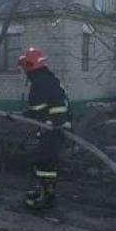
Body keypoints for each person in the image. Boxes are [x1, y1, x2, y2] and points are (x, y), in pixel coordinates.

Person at [18, 47, 73, 209]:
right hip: (53, 128)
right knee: (46, 162)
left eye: (23, 66)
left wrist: (53, 123)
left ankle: (46, 198)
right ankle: (46, 193)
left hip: (55, 130)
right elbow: (40, 108)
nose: (23, 70)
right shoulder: (46, 79)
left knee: (43, 161)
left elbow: (52, 107)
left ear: (29, 65)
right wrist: (23, 114)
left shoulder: (41, 81)